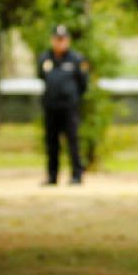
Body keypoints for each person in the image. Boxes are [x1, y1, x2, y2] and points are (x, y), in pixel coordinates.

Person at [38, 24, 89, 186]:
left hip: (69, 108)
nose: (60, 43)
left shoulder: (76, 59)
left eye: (63, 39)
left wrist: (73, 98)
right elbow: (41, 77)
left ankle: (76, 175)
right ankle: (52, 176)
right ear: (52, 40)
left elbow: (83, 84)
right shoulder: (45, 58)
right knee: (51, 142)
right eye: (57, 39)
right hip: (51, 107)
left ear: (68, 40)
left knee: (73, 141)